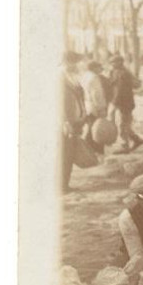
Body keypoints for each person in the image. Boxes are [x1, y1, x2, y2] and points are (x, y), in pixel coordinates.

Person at [108, 55, 143, 154]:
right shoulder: (114, 72)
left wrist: (115, 102)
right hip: (120, 102)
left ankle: (125, 146)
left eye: (114, 62)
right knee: (124, 124)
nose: (112, 64)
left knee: (122, 124)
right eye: (111, 62)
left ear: (120, 62)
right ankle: (136, 140)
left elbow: (120, 90)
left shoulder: (123, 73)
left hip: (124, 102)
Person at [61, 51, 86, 192]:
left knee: (69, 154)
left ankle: (65, 184)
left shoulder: (72, 77)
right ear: (66, 62)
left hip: (75, 121)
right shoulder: (59, 78)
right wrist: (65, 122)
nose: (76, 65)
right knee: (65, 154)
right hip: (65, 123)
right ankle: (62, 186)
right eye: (74, 62)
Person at [80, 60, 108, 152]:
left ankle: (88, 149)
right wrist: (101, 108)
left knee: (90, 127)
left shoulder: (84, 76)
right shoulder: (94, 78)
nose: (101, 69)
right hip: (94, 106)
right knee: (98, 129)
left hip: (87, 105)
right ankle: (97, 150)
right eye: (99, 67)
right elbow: (97, 94)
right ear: (94, 68)